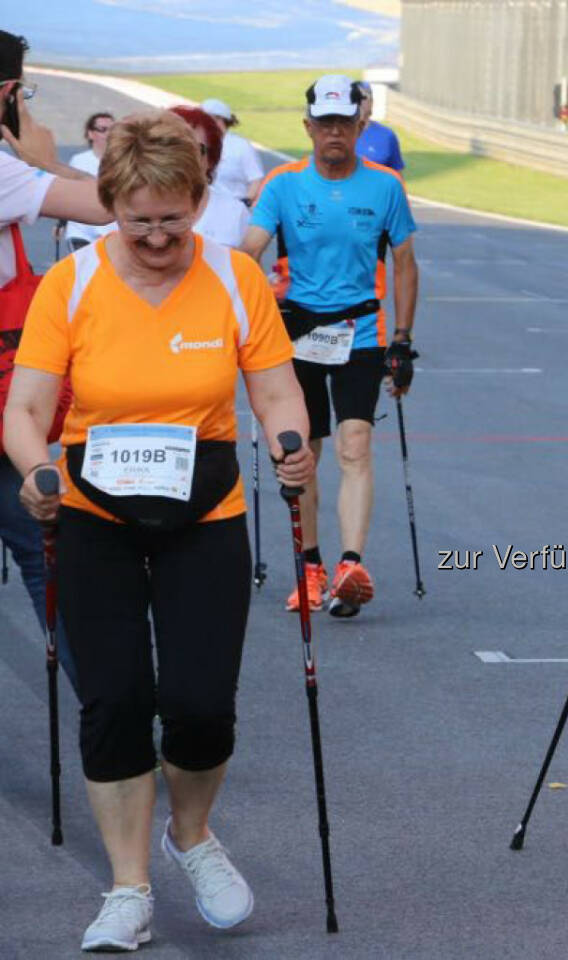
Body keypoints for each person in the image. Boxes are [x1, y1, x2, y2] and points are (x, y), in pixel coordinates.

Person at [3, 110, 313, 952]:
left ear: (200, 200)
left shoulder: (233, 279)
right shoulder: (73, 285)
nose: (154, 237)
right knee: (114, 705)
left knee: (201, 708)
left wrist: (291, 445)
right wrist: (37, 472)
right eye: (136, 220)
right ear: (110, 206)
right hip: (95, 515)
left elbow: (278, 392)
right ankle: (129, 888)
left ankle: (193, 834)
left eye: (172, 219)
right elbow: (26, 410)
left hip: (204, 515)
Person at [241, 74, 419, 618]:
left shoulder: (385, 185)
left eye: (344, 123)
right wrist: (247, 316)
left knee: (356, 444)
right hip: (297, 334)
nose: (334, 133)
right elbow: (248, 253)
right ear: (308, 126)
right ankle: (311, 567)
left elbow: (405, 264)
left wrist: (404, 342)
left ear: (360, 125)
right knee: (304, 454)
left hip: (361, 333)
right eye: (325, 124)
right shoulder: (283, 185)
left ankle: (349, 565)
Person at [0, 29, 115, 687]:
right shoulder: (8, 169)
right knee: (52, 563)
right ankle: (119, 726)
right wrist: (50, 162)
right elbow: (124, 206)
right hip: (6, 411)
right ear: (9, 94)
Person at [168, 105, 250, 247]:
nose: (184, 157)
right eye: (174, 147)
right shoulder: (134, 209)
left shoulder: (235, 214)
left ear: (211, 159)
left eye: (195, 149)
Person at [60, 112, 115, 251]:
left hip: (112, 233)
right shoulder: (78, 161)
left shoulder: (123, 162)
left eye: (112, 130)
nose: (108, 134)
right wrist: (62, 223)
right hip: (81, 232)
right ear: (90, 134)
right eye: (102, 129)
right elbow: (68, 194)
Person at [200, 98, 264, 206]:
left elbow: (256, 180)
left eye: (215, 119)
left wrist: (246, 202)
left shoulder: (241, 146)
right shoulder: (197, 143)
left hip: (234, 206)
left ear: (224, 121)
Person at [355, 82, 404, 175]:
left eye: (363, 97)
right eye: (355, 98)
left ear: (371, 102)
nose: (359, 102)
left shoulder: (387, 136)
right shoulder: (339, 134)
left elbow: (397, 176)